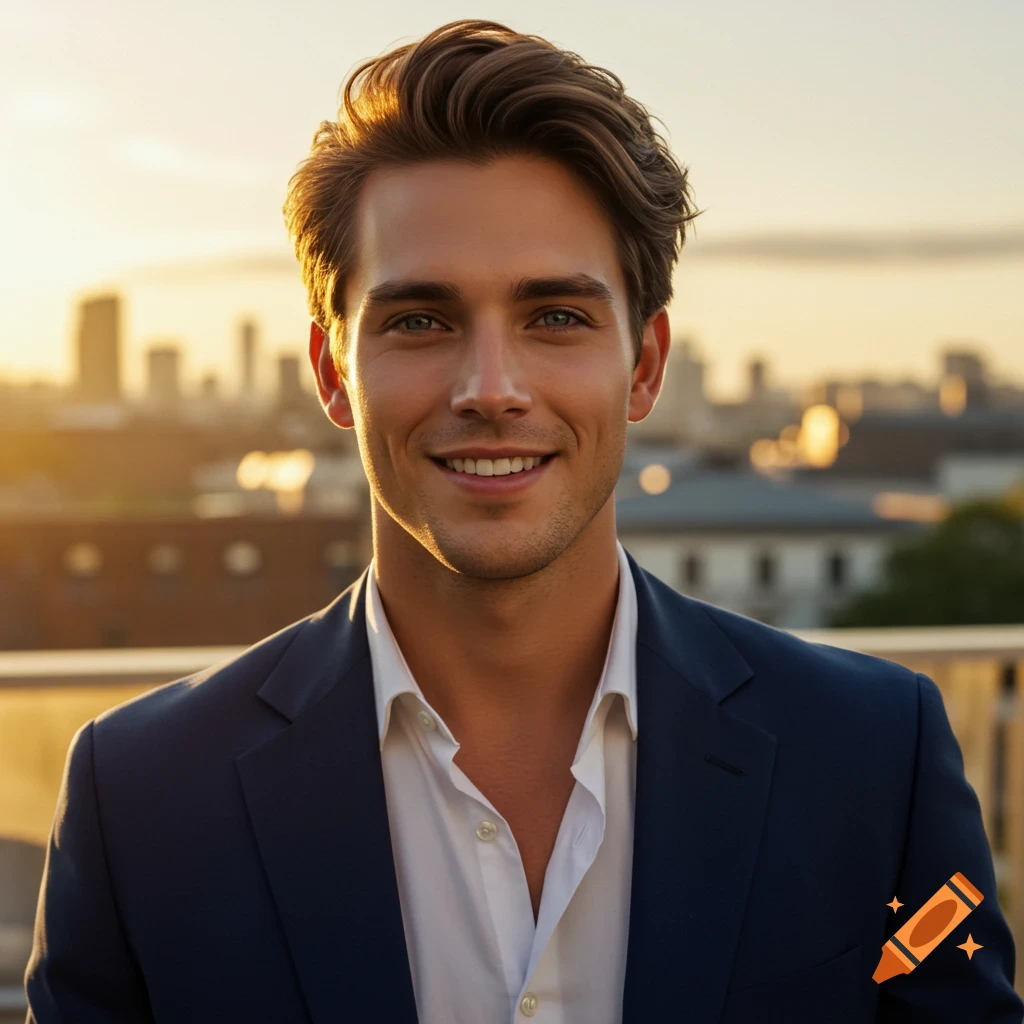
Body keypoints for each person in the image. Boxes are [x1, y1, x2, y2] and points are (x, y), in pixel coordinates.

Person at [25, 19, 1022, 1024]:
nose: (490, 389)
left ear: (644, 366)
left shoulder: (871, 759)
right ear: (332, 374)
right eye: (420, 320)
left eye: (556, 317)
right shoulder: (143, 800)